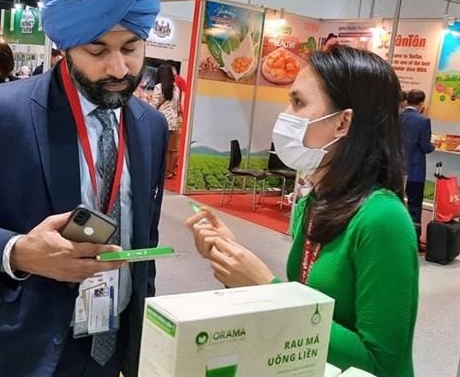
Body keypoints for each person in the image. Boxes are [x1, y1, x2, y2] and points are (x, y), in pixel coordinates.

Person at [0, 0, 165, 376]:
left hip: (112, 343)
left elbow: (143, 239)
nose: (118, 68)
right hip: (21, 345)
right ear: (65, 47)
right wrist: (17, 252)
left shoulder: (152, 126)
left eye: (131, 48)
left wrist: (144, 343)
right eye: (97, 50)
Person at [186, 46, 418, 377]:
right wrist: (232, 257)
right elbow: (310, 307)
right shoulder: (315, 202)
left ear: (343, 122)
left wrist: (268, 291)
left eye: (298, 103)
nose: (286, 114)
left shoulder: (382, 219)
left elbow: (382, 363)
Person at [401, 89, 434, 250]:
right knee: (415, 206)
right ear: (422, 103)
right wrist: (432, 146)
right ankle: (414, 241)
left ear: (406, 101)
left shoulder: (397, 117)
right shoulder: (423, 121)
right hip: (415, 170)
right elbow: (426, 147)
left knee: (396, 202)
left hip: (396, 168)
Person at [150, 63, 180, 178]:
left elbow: (154, 106)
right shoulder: (176, 88)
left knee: (157, 148)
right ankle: (163, 171)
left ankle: (156, 171)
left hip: (160, 121)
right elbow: (176, 106)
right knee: (165, 148)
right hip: (172, 122)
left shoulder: (159, 87)